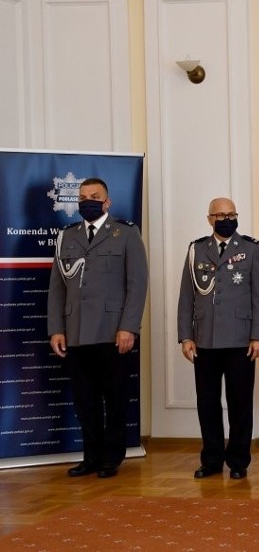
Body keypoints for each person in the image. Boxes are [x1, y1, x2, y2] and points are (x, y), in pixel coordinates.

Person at [48, 177, 148, 479]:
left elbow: (137, 284)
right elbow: (57, 288)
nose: (87, 201)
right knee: (85, 400)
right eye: (82, 197)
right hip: (76, 332)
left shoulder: (126, 234)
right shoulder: (68, 236)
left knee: (115, 399)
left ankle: (111, 457)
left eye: (94, 196)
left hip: (113, 332)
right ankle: (90, 456)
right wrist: (56, 328)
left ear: (107, 202)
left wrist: (128, 327)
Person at [177, 197, 259, 480]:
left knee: (240, 402)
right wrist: (185, 336)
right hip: (204, 340)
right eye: (220, 215)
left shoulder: (251, 250)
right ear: (209, 219)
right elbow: (186, 298)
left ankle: (239, 461)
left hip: (241, 341)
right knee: (207, 403)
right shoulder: (197, 250)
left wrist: (258, 336)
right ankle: (212, 459)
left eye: (231, 214)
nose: (226, 219)